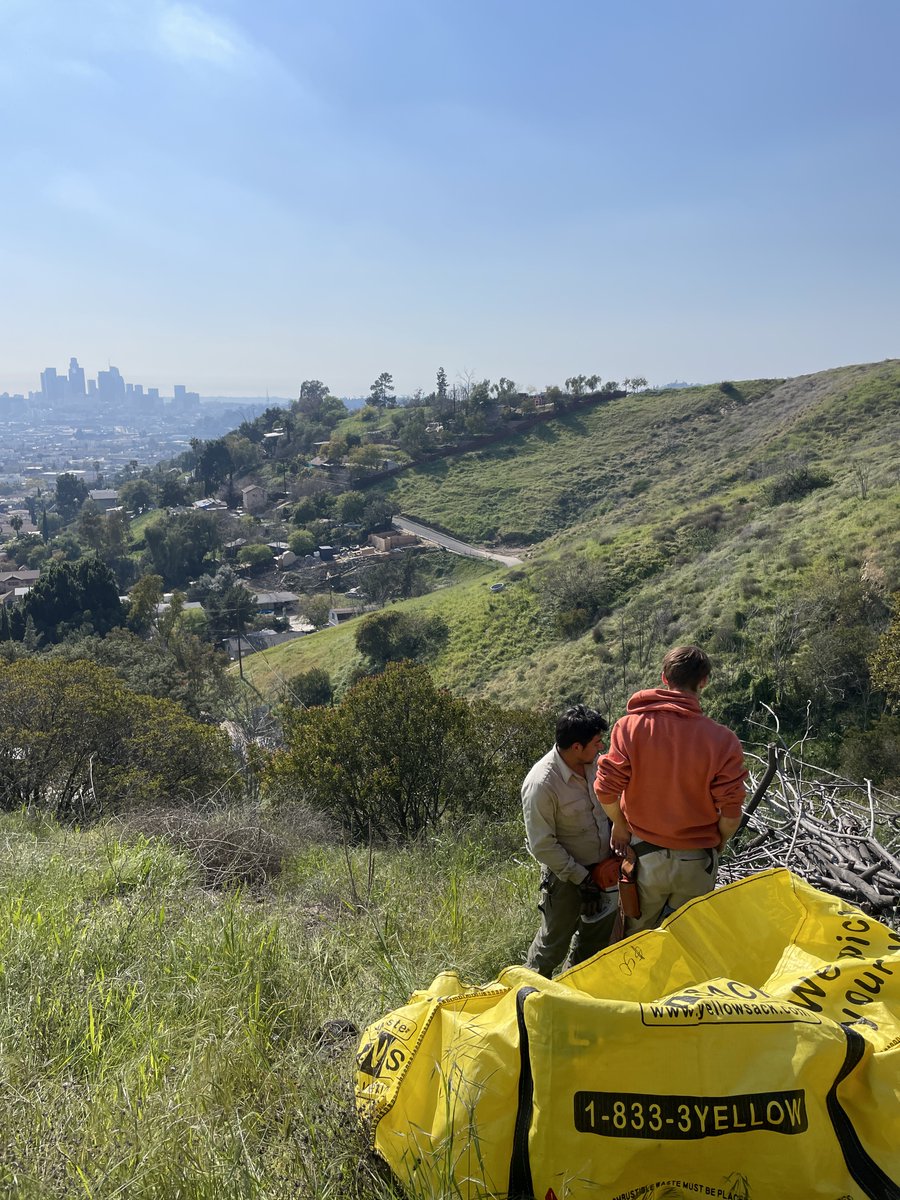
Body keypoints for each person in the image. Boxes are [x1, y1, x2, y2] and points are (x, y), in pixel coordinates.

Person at [594, 645, 747, 933]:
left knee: (634, 945)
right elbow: (730, 811)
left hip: (644, 860)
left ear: (664, 678)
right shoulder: (724, 740)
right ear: (703, 681)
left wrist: (620, 825)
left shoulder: (629, 727)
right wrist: (720, 841)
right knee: (689, 943)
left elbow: (605, 790)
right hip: (697, 862)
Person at [522, 704, 616, 976]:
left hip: (604, 874)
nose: (601, 748)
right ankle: (527, 998)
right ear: (577, 746)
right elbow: (542, 845)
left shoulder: (595, 766)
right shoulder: (541, 783)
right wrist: (582, 878)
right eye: (596, 743)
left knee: (593, 943)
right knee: (552, 945)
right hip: (565, 880)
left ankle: (573, 993)